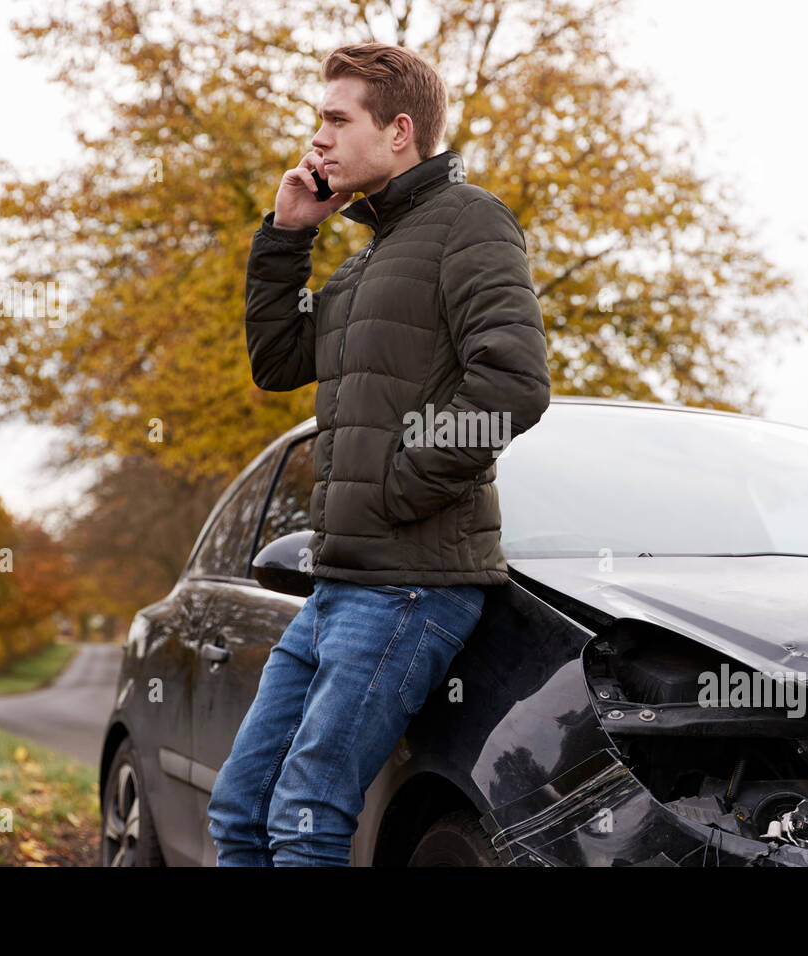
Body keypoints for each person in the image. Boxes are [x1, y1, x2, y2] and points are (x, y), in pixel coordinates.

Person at [206, 41, 551, 866]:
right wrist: (288, 234)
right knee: (241, 806)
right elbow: (279, 361)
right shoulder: (369, 262)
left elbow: (513, 384)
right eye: (317, 120)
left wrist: (399, 486)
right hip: (337, 586)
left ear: (400, 132)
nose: (315, 139)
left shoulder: (470, 220)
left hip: (407, 586)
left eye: (335, 119)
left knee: (305, 811)